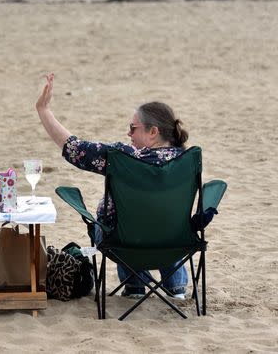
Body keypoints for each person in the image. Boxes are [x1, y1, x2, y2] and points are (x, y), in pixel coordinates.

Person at [35, 72, 189, 299]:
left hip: (121, 245)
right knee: (163, 218)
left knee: (121, 222)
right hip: (174, 243)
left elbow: (74, 148)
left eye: (133, 127)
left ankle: (135, 287)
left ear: (153, 131)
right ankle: (176, 288)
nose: (129, 133)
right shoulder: (186, 160)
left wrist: (44, 111)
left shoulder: (124, 157)